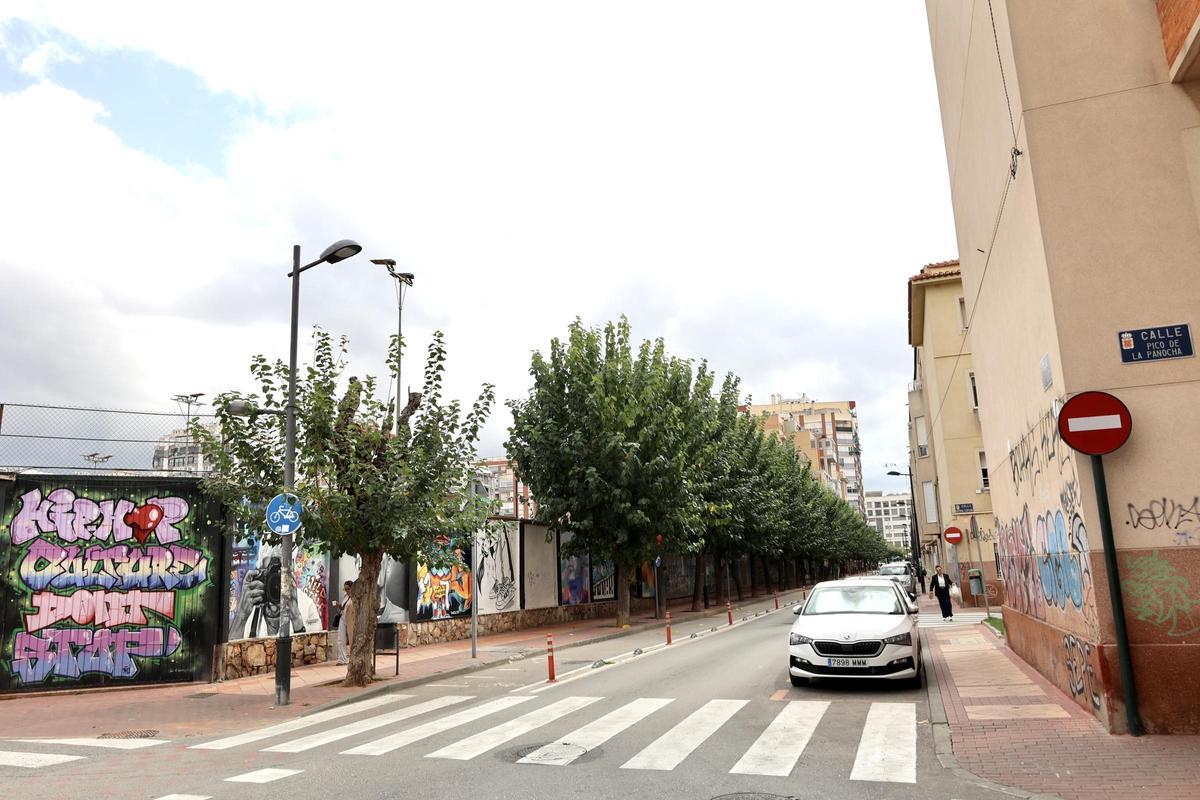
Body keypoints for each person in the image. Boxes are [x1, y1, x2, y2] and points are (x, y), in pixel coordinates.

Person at [230, 546, 323, 639]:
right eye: (269, 573)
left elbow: (314, 650)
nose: (275, 582)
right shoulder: (252, 600)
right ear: (259, 572)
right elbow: (231, 652)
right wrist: (241, 616)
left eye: (280, 574)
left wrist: (296, 617)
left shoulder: (306, 605)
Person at [333, 580, 355, 665]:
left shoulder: (355, 597)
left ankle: (353, 659)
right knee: (341, 639)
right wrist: (339, 606)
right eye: (345, 589)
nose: (346, 591)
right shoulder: (346, 596)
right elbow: (344, 608)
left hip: (351, 620)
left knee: (351, 639)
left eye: (348, 589)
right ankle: (342, 659)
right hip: (343, 618)